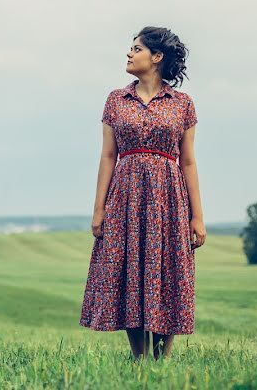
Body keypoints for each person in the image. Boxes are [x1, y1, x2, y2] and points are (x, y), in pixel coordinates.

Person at [79, 26, 206, 359]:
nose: (129, 53)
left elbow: (189, 163)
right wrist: (99, 209)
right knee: (130, 273)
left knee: (167, 272)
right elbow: (108, 155)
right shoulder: (115, 100)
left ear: (157, 57)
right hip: (125, 197)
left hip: (169, 197)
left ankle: (162, 361)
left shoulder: (183, 105)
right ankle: (140, 358)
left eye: (136, 49)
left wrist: (198, 216)